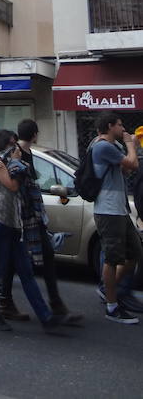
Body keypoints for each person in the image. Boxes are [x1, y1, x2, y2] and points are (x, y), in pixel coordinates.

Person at [0, 119, 82, 323]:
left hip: (30, 215)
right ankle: (9, 303)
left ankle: (53, 304)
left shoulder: (26, 153)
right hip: (17, 215)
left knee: (44, 255)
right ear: (35, 134)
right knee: (13, 260)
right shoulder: (14, 153)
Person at [0, 130, 67, 332]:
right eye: (12, 144)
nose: (17, 148)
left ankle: (46, 317)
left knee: (25, 270)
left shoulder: (14, 164)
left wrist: (18, 164)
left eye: (16, 144)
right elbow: (12, 185)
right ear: (4, 145)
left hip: (14, 223)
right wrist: (17, 164)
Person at [92, 111, 142, 324]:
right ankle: (112, 307)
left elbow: (128, 169)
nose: (123, 129)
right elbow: (132, 164)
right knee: (112, 258)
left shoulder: (112, 147)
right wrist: (131, 144)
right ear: (110, 126)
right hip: (107, 209)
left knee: (135, 252)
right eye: (120, 125)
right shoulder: (102, 146)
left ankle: (107, 288)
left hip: (119, 208)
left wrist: (126, 153)